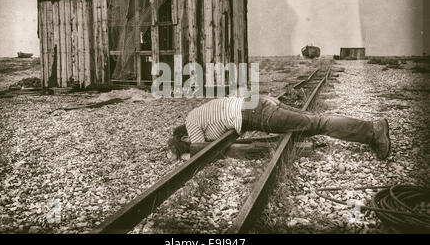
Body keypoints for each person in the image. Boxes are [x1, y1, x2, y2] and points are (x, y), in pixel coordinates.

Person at [167, 95, 391, 161]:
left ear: (183, 137)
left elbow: (201, 151)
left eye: (183, 143)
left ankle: (373, 131)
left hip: (257, 115)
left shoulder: (192, 122)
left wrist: (184, 155)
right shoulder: (199, 114)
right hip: (257, 102)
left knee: (318, 123)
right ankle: (370, 131)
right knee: (315, 120)